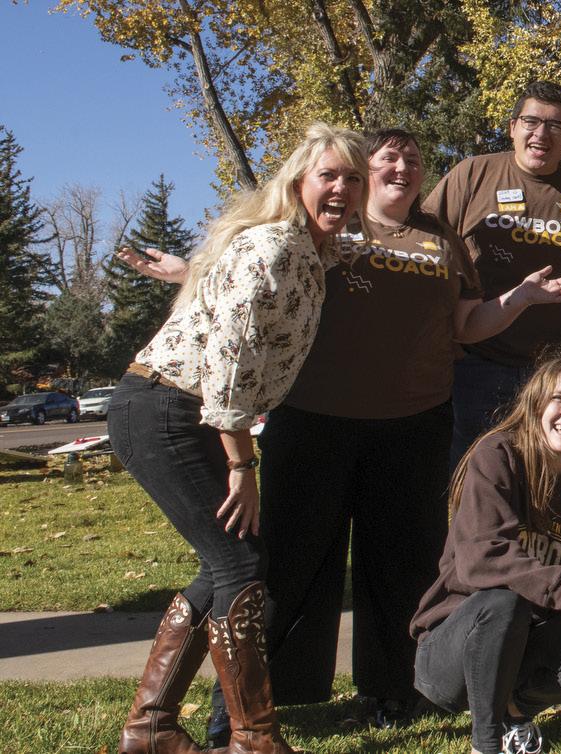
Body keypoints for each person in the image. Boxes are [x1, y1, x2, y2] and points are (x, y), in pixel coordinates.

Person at [121, 129, 561, 741]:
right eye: (387, 157)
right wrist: (190, 270)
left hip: (414, 424)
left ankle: (395, 691)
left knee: (401, 565)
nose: (402, 167)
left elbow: (466, 324)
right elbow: (255, 285)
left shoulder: (440, 238)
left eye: (414, 159)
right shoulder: (329, 229)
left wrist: (520, 298)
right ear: (366, 173)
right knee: (286, 563)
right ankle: (245, 710)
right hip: (314, 418)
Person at [111, 123, 368, 754]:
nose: (341, 188)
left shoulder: (313, 253)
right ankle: (253, 738)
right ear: (298, 182)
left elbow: (233, 296)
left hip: (185, 411)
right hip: (167, 410)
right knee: (240, 564)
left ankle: (150, 727)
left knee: (225, 563)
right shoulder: (273, 246)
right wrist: (240, 466)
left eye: (353, 178)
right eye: (328, 176)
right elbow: (228, 360)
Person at [410, 350, 561, 754]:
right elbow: (482, 558)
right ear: (536, 403)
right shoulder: (498, 455)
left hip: (529, 640)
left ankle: (515, 711)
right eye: (559, 398)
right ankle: (486, 742)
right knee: (503, 603)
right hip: (454, 647)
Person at [425, 80, 561, 465]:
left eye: (556, 125)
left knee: (542, 470)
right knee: (473, 469)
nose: (541, 134)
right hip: (474, 361)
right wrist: (446, 339)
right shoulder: (472, 175)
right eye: (531, 121)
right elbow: (428, 252)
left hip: (549, 368)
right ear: (513, 127)